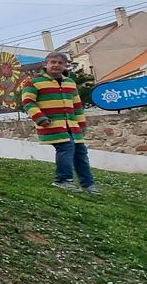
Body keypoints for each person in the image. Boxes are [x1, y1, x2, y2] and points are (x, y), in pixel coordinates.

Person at [20, 52, 97, 194]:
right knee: (66, 147)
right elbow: (28, 102)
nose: (56, 65)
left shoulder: (70, 83)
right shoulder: (34, 82)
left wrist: (81, 124)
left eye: (60, 63)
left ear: (65, 65)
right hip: (51, 124)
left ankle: (88, 185)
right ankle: (62, 180)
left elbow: (77, 105)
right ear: (46, 65)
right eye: (53, 62)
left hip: (72, 126)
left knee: (80, 152)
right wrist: (40, 118)